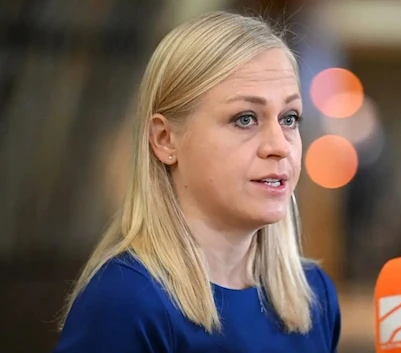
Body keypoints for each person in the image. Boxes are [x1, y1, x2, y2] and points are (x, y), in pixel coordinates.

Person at [53, 11, 341, 353]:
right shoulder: (124, 302)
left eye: (289, 118)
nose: (280, 146)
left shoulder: (315, 296)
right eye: (245, 119)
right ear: (165, 140)